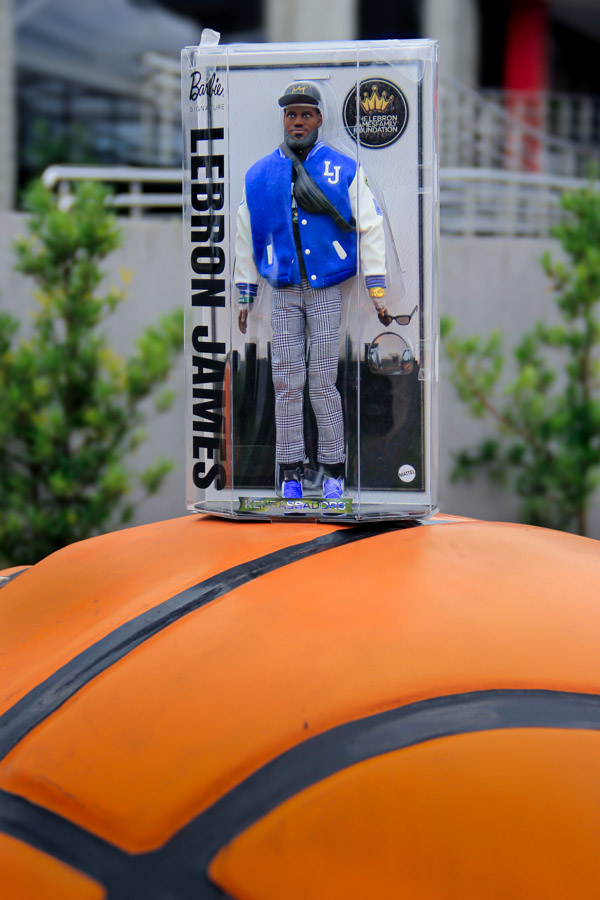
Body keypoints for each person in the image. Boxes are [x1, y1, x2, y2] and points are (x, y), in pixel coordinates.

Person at [234, 80, 388, 500]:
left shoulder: (343, 168)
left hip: (325, 289)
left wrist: (376, 283)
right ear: (283, 119)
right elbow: (246, 235)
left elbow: (370, 223)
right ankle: (289, 469)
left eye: (305, 114)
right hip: (283, 289)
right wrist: (245, 294)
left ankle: (333, 468)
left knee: (322, 380)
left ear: (320, 118)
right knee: (286, 381)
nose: (297, 122)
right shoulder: (260, 175)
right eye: (291, 114)